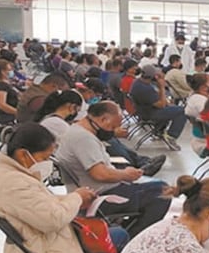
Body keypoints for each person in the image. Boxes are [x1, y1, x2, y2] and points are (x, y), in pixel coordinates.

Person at [0, 123, 127, 253]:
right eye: (45, 158)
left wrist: (74, 197)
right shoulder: (15, 183)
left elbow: (40, 205)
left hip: (49, 245)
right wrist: (77, 198)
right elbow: (52, 220)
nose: (48, 163)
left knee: (120, 235)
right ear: (23, 155)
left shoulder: (9, 172)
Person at [54, 101, 172, 237]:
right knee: (162, 192)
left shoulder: (77, 130)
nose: (113, 131)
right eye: (113, 126)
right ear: (103, 119)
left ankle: (127, 231)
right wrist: (125, 174)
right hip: (100, 197)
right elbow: (100, 174)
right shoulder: (84, 139)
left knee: (152, 186)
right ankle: (133, 238)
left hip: (93, 189)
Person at [130, 64, 186, 142]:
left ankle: (160, 131)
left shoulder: (138, 82)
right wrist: (162, 87)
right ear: (153, 77)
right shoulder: (145, 89)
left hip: (144, 110)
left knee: (174, 108)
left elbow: (159, 101)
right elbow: (161, 105)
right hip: (150, 113)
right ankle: (171, 136)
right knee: (182, 111)